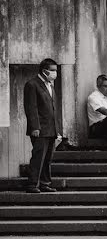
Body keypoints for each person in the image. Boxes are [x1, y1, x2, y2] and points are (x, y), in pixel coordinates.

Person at [23, 58, 61, 193]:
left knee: (47, 158)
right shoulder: (32, 85)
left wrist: (57, 129)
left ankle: (45, 183)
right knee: (38, 157)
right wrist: (35, 127)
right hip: (40, 129)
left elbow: (52, 108)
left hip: (51, 129)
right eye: (53, 70)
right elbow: (31, 108)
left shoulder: (50, 85)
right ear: (44, 71)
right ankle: (32, 184)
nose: (55, 73)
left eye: (56, 70)